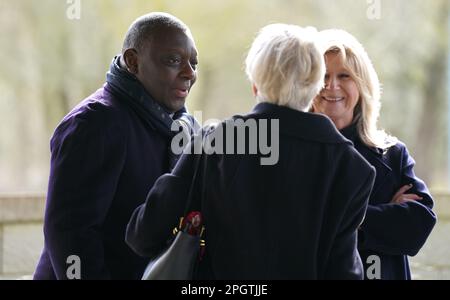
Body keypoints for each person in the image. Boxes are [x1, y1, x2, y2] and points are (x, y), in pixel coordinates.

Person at [126, 24, 376, 279]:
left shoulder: (215, 143)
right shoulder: (351, 167)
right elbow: (342, 272)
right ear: (314, 87)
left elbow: (143, 235)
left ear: (256, 84)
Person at [33, 12, 199, 280]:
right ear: (133, 61)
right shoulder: (94, 123)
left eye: (194, 63)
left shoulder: (185, 128)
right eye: (174, 60)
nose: (190, 73)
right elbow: (71, 234)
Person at [311, 29, 437, 280]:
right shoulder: (296, 154)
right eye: (323, 76)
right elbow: (298, 230)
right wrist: (383, 214)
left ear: (361, 85)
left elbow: (416, 227)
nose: (331, 85)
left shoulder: (392, 154)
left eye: (344, 75)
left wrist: (343, 220)